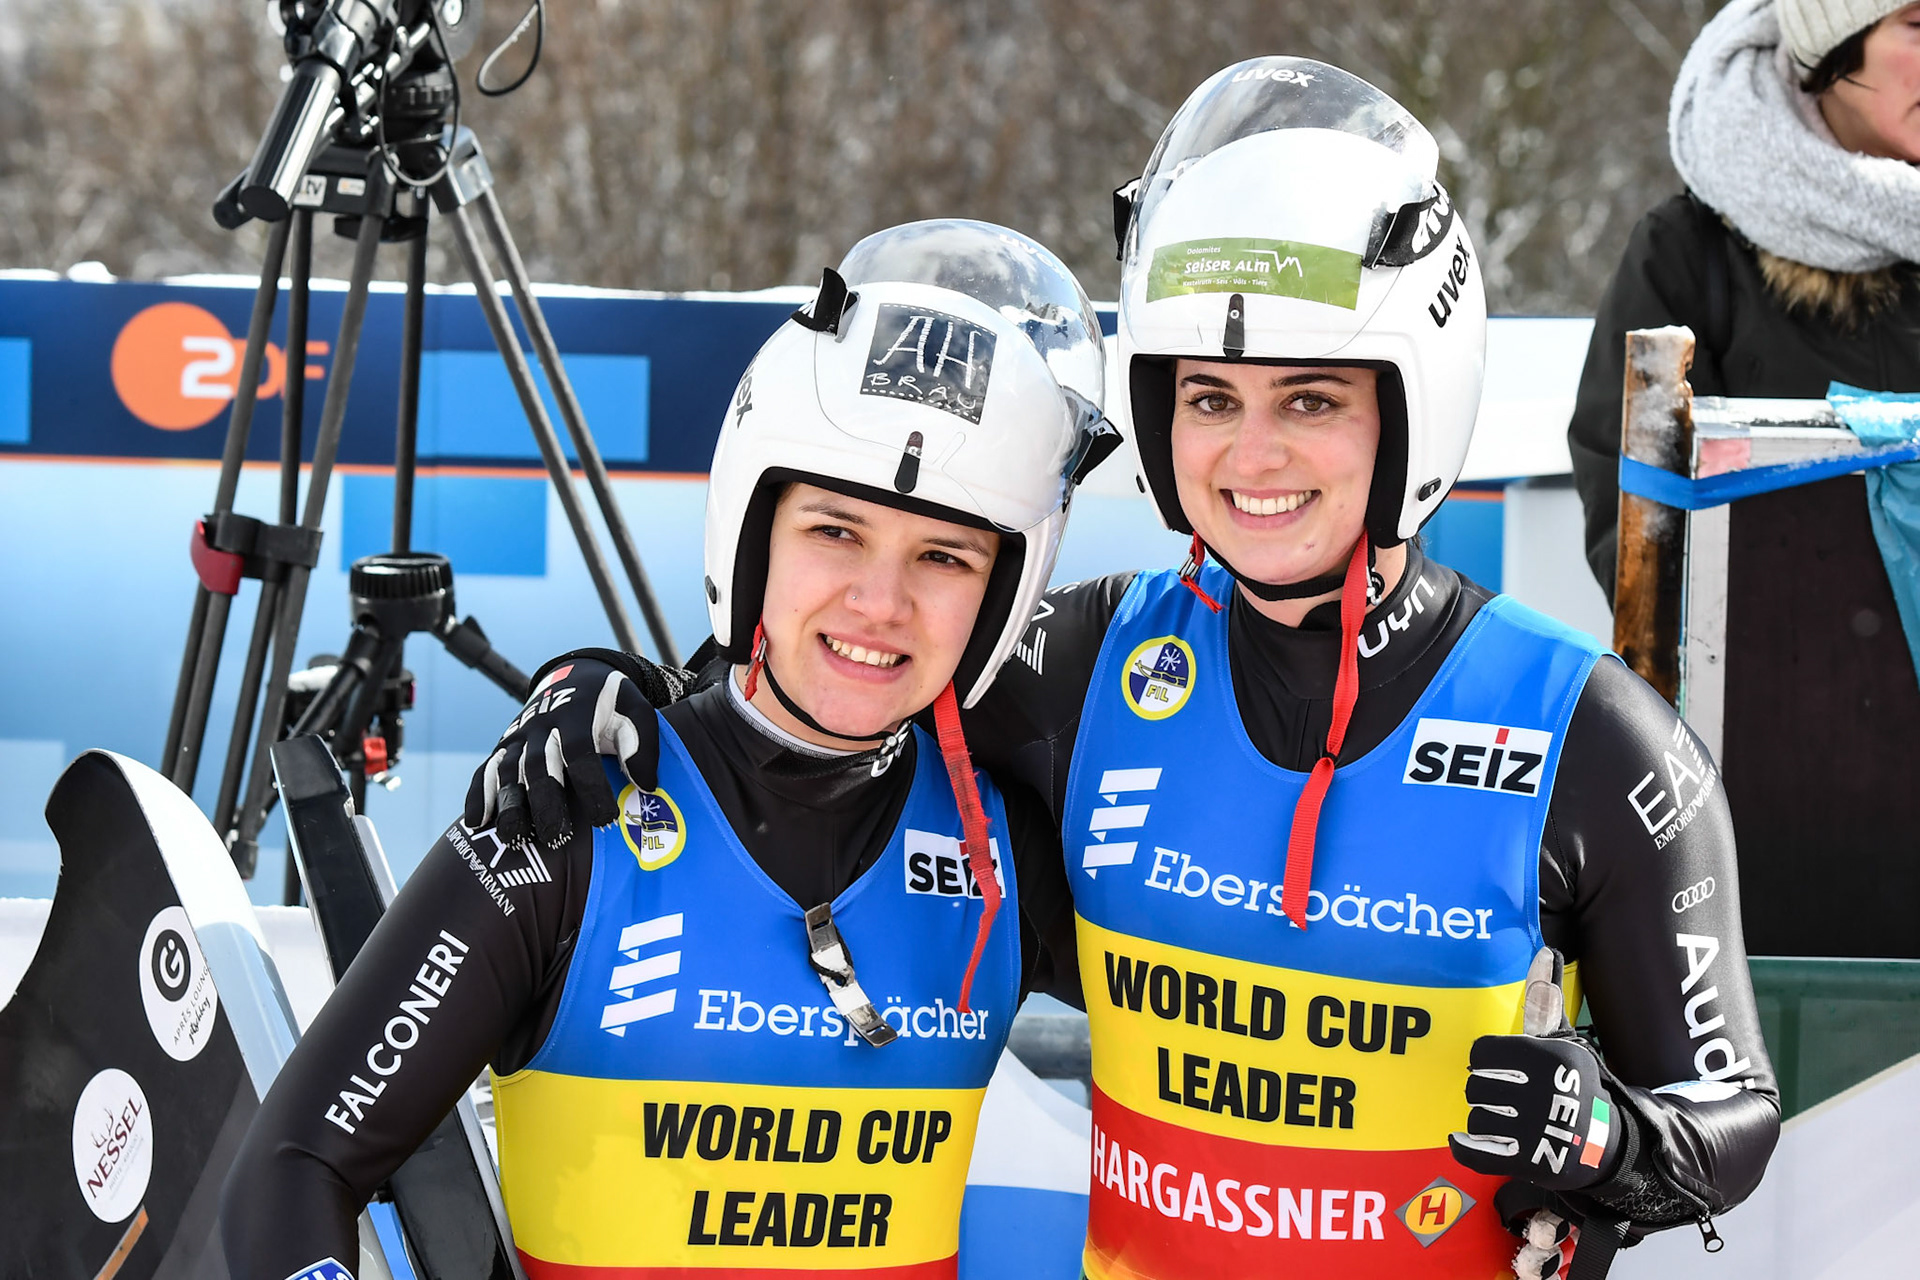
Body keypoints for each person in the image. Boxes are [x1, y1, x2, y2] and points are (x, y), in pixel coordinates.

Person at [469, 60, 1781, 1279]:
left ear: (1410, 405)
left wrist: (1609, 1140)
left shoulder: (1585, 731)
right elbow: (809, 691)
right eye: (1209, 398)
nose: (1251, 456)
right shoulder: (1087, 663)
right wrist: (602, 688)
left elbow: (1732, 1115)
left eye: (1311, 400)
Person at [218, 220, 1121, 1279]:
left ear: (1003, 592)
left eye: (945, 557)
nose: (881, 602)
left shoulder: (1002, 850)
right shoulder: (569, 809)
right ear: (751, 535)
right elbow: (292, 1169)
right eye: (834, 531)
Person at [1569, 0, 1920, 598]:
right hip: (1782, 650)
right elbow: (1640, 533)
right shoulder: (1689, 252)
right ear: (1833, 40)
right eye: (1916, 26)